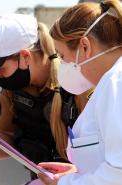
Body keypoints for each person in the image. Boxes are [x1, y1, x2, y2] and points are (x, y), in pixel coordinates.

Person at [0, 14, 91, 180]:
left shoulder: (77, 84)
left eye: (0, 69)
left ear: (25, 57)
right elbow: (7, 137)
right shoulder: (12, 90)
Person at [38, 0, 122, 185]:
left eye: (62, 56)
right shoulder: (110, 82)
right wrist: (79, 171)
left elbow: (118, 173)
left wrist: (64, 183)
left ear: (85, 46)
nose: (62, 64)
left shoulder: (116, 82)